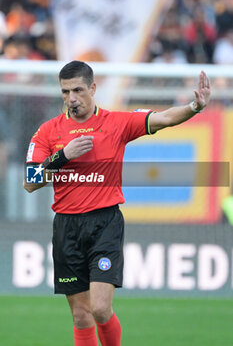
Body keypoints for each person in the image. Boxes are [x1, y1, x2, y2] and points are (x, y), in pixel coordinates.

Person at [23, 60, 211, 346]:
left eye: (77, 90)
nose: (71, 98)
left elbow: (164, 118)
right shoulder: (48, 132)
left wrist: (194, 107)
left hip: (105, 224)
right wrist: (63, 156)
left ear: (93, 88)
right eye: (65, 92)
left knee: (99, 308)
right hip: (66, 226)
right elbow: (30, 181)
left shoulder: (116, 123)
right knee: (81, 317)